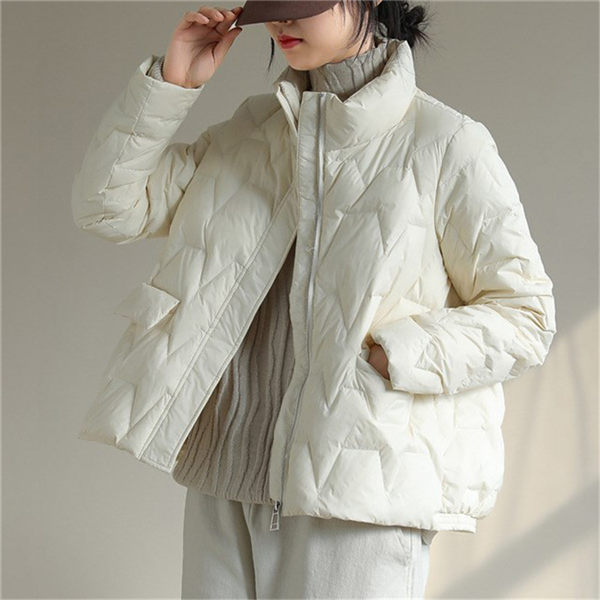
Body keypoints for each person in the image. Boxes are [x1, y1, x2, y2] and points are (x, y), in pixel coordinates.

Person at [71, 1, 557, 598]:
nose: (281, 20)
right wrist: (172, 84)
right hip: (224, 476)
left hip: (354, 492)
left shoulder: (446, 143)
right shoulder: (252, 131)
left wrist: (393, 355)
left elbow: (526, 315)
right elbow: (108, 207)